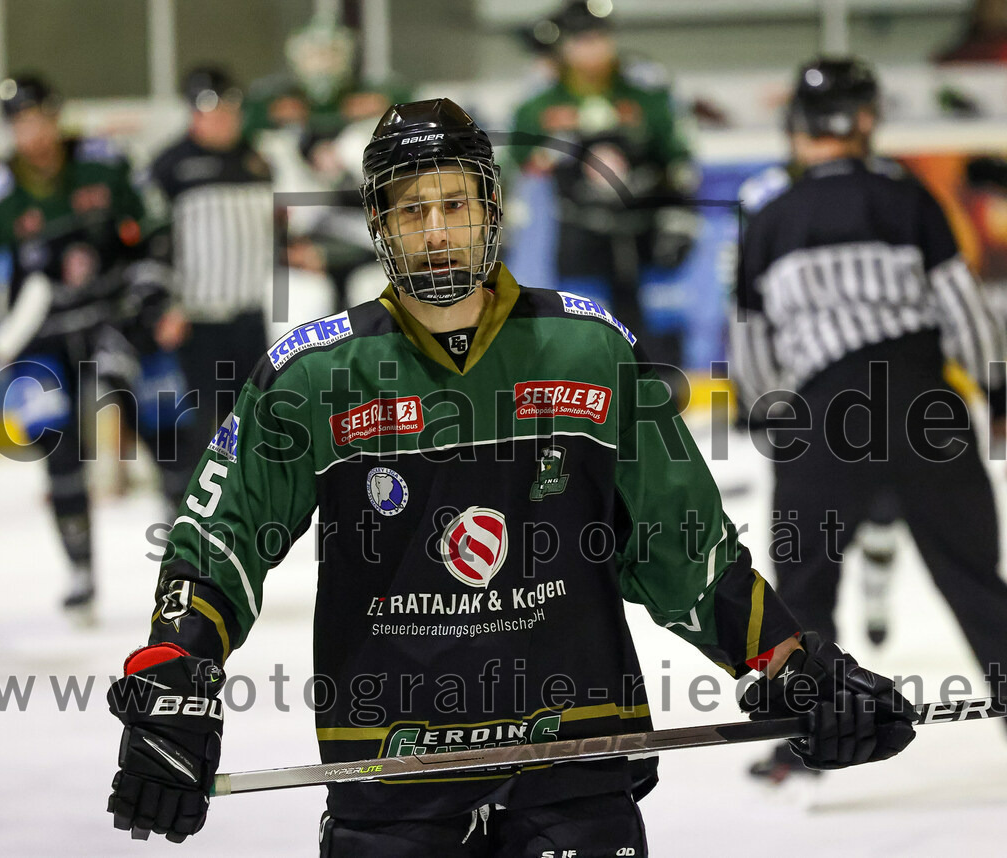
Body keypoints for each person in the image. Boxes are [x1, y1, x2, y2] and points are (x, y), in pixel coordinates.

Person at [106, 98, 914, 855]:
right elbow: (222, 538)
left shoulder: (589, 354)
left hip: (576, 766)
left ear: (491, 212)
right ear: (380, 225)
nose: (437, 231)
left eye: (455, 204)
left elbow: (686, 548)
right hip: (392, 779)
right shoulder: (317, 375)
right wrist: (177, 672)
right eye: (411, 209)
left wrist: (790, 665)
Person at [731, 57, 1007, 782]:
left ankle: (806, 745)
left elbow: (751, 348)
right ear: (865, 122)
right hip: (923, 402)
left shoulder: (769, 217)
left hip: (826, 411)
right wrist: (997, 397)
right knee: (976, 581)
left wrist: (778, 429)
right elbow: (966, 313)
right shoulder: (906, 197)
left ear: (798, 126)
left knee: (804, 590)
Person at [0, 74, 191, 616]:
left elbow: (155, 230)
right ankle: (80, 569)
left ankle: (187, 554)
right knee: (57, 445)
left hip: (116, 318)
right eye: (20, 124)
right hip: (45, 336)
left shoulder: (104, 161)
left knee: (162, 428)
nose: (32, 133)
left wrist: (155, 299)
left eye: (39, 119)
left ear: (56, 116)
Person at [511, 0, 698, 371]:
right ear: (563, 45)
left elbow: (678, 162)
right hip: (571, 237)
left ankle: (658, 389)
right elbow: (517, 169)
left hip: (639, 235)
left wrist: (680, 218)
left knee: (653, 327)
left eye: (599, 37)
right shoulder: (537, 107)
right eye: (581, 39)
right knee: (577, 325)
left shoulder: (647, 96)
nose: (592, 48)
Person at [145, 66, 275, 467]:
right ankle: (191, 516)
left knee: (254, 426)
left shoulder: (259, 158)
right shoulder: (169, 166)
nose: (223, 119)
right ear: (193, 114)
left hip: (252, 316)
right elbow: (151, 244)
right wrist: (162, 306)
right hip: (196, 321)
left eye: (230, 109)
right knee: (201, 427)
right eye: (212, 110)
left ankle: (246, 519)